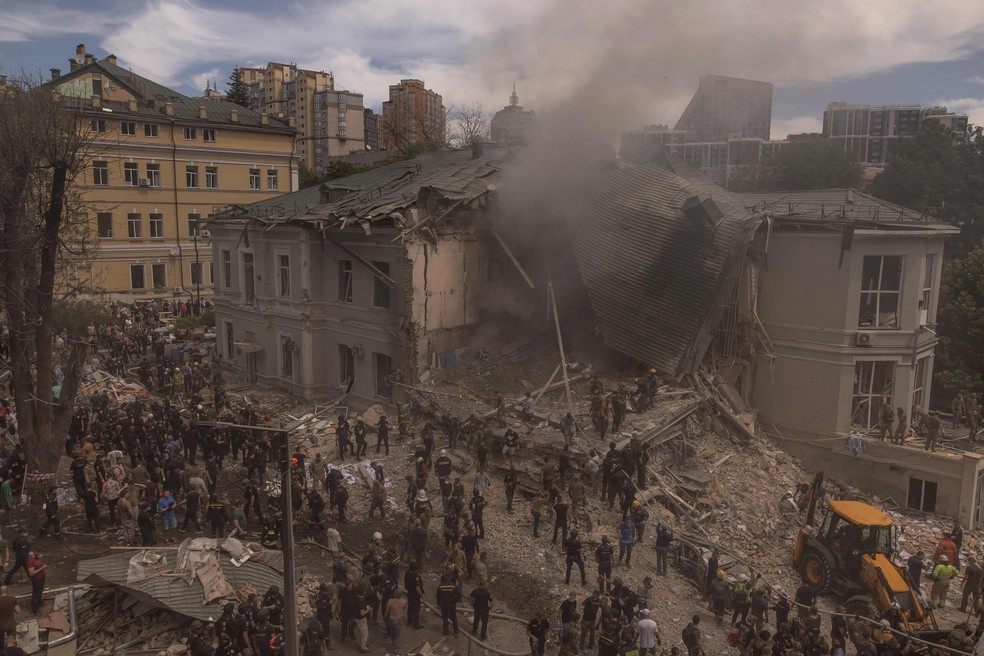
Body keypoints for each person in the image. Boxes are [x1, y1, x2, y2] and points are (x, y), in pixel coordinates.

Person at [437, 572, 460, 637]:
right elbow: (459, 595)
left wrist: (438, 603)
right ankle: (456, 631)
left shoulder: (440, 586)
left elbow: (438, 596)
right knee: (454, 617)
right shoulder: (453, 585)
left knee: (445, 618)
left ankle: (446, 631)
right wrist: (455, 601)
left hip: (443, 604)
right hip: (451, 604)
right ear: (450, 578)